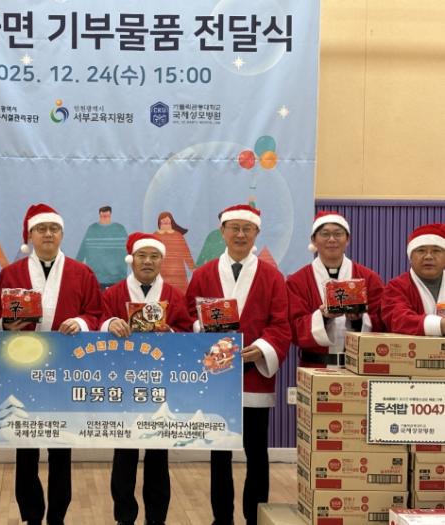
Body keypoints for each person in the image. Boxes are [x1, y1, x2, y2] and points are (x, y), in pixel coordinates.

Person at [0, 203, 102, 525]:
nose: (48, 234)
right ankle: (31, 515)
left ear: (62, 234)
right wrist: (5, 324)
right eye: (41, 229)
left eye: (54, 229)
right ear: (31, 236)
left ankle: (57, 516)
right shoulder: (11, 274)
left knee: (61, 449)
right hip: (21, 369)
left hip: (65, 370)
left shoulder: (82, 273)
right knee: (25, 448)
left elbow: (96, 313)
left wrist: (80, 322)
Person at [184, 204, 291, 525]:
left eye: (247, 228)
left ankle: (255, 518)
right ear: (222, 232)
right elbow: (188, 316)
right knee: (219, 454)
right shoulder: (203, 274)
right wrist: (204, 331)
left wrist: (262, 349)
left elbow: (280, 323)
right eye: (234, 228)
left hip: (254, 375)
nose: (240, 234)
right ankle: (222, 519)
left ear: (257, 232)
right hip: (217, 375)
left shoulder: (272, 277)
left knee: (257, 453)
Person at [100, 232, 192, 525]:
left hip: (160, 384)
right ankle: (124, 517)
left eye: (154, 256)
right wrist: (110, 323)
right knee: (124, 455)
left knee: (158, 455)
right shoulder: (114, 294)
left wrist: (171, 333)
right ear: (132, 259)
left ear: (162, 261)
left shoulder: (174, 296)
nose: (148, 261)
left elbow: (187, 332)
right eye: (142, 256)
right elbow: (99, 322)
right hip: (123, 382)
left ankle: (156, 518)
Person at [286, 211, 384, 367]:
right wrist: (323, 317)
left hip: (359, 367)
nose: (332, 239)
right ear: (313, 240)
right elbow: (292, 327)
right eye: (325, 234)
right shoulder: (297, 281)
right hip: (315, 366)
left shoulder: (369, 278)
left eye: (338, 234)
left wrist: (359, 319)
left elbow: (382, 322)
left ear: (348, 239)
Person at [382, 223, 445, 335]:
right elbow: (398, 319)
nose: (428, 256)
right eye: (421, 251)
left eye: (436, 251)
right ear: (410, 256)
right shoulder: (396, 287)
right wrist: (440, 325)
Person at [75, 205, 128, 289]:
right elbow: (82, 251)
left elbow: (129, 251)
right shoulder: (92, 229)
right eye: (102, 216)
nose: (104, 219)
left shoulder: (120, 229)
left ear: (110, 216)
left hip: (118, 279)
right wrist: (75, 270)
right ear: (99, 216)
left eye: (107, 216)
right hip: (96, 279)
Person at [153, 211, 195, 293]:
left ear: (171, 222)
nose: (165, 222)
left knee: (179, 294)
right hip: (161, 272)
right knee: (162, 293)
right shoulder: (155, 236)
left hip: (178, 273)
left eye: (167, 221)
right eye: (163, 221)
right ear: (159, 222)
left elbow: (186, 253)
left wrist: (192, 268)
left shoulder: (178, 236)